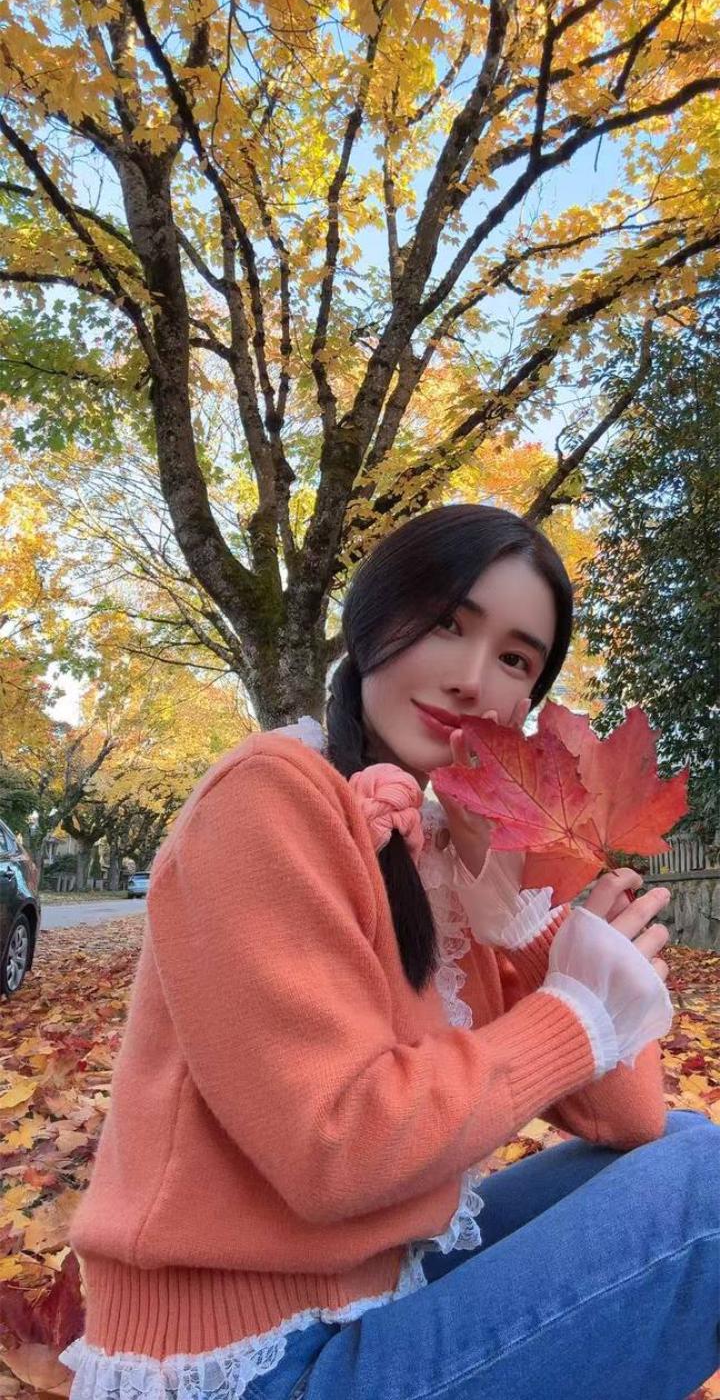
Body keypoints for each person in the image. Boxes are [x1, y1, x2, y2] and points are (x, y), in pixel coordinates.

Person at [61, 504, 719, 1400]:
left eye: (516, 660)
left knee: (684, 1142)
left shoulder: (449, 851)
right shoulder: (268, 796)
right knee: (710, 1187)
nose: (472, 680)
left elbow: (631, 1123)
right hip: (250, 1363)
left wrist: (522, 923)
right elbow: (333, 1147)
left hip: (372, 1292)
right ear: (375, 619)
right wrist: (573, 1017)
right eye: (449, 623)